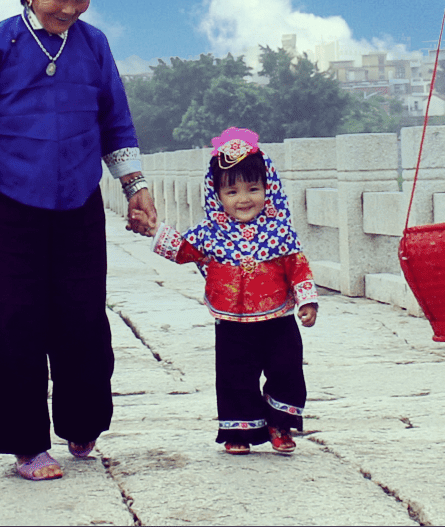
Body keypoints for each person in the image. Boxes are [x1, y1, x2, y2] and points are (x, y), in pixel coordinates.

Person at [0, 0, 157, 481]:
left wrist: (135, 187)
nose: (71, 10)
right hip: (10, 205)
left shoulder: (94, 46)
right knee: (15, 323)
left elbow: (116, 124)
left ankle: (83, 421)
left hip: (78, 203)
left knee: (83, 317)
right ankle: (26, 444)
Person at [129, 126, 318, 455]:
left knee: (287, 369)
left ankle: (279, 424)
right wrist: (153, 231)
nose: (244, 199)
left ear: (268, 188)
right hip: (231, 321)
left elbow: (298, 267)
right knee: (235, 375)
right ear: (216, 195)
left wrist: (307, 301)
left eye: (253, 189)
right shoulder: (210, 233)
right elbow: (183, 250)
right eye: (232, 193)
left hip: (277, 318)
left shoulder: (280, 231)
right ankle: (238, 431)